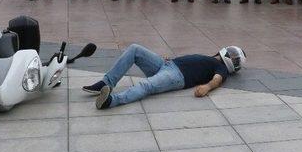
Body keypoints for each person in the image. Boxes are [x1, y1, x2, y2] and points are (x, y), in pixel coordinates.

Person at [81, 44, 246, 109]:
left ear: (234, 63)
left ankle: (110, 101)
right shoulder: (212, 59)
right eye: (231, 52)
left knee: (146, 85)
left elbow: (217, 80)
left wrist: (207, 87)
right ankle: (106, 82)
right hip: (166, 65)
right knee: (134, 49)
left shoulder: (221, 68)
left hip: (176, 76)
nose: (229, 54)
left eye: (233, 56)